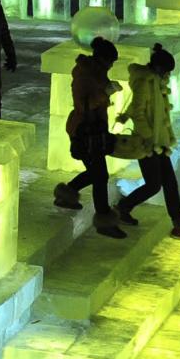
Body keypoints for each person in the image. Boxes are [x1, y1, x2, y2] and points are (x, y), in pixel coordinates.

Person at [112, 44, 180, 244]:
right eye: (167, 71)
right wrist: (149, 135)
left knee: (169, 183)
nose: (167, 75)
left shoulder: (156, 81)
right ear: (159, 68)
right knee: (153, 185)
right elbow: (138, 111)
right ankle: (122, 208)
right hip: (148, 142)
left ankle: (179, 225)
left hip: (159, 141)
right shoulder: (145, 82)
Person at [53, 37, 126, 238]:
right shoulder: (85, 75)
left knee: (96, 172)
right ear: (102, 59)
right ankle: (104, 221)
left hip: (94, 129)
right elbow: (82, 105)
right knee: (100, 175)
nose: (111, 65)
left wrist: (107, 90)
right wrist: (106, 92)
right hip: (84, 130)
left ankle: (66, 195)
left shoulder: (97, 73)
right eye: (111, 61)